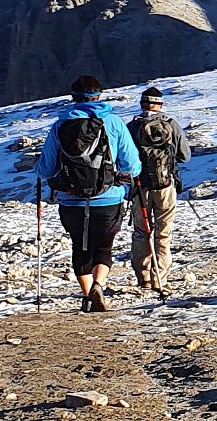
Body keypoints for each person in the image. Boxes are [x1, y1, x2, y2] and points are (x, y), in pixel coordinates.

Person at [36, 76, 140, 312]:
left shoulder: (61, 125)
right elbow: (133, 165)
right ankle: (99, 285)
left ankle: (86, 294)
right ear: (99, 96)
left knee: (79, 246)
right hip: (108, 197)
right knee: (103, 247)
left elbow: (46, 169)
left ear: (73, 98)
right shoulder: (113, 122)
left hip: (71, 200)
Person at [127, 87, 190, 296]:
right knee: (163, 234)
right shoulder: (171, 126)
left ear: (142, 104)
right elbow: (184, 156)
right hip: (165, 186)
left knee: (141, 232)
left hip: (139, 187)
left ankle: (143, 278)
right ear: (161, 105)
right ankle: (159, 278)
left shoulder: (132, 127)